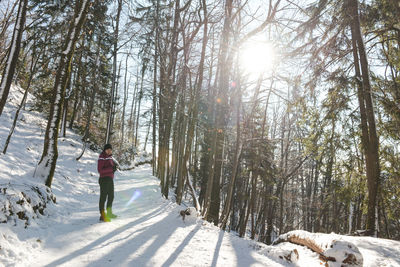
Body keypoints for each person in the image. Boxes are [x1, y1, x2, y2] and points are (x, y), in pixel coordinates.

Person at [97, 143, 118, 222]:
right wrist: (111, 169)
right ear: (105, 150)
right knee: (103, 197)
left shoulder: (110, 157)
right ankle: (102, 215)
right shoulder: (102, 157)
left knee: (111, 196)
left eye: (110, 150)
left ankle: (109, 213)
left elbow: (111, 168)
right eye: (108, 150)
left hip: (110, 179)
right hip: (104, 179)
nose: (109, 151)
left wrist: (114, 169)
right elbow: (100, 170)